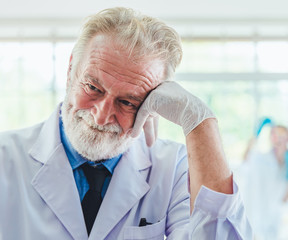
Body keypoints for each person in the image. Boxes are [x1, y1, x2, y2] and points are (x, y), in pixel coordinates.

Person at [0, 7, 252, 240]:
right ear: (70, 71)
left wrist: (199, 121)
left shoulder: (173, 168)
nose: (101, 116)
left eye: (128, 102)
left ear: (152, 106)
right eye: (92, 87)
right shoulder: (5, 158)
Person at [240, 124, 288, 240]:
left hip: (281, 218)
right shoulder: (261, 159)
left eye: (282, 135)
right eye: (274, 135)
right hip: (259, 218)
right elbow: (245, 165)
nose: (278, 138)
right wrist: (253, 140)